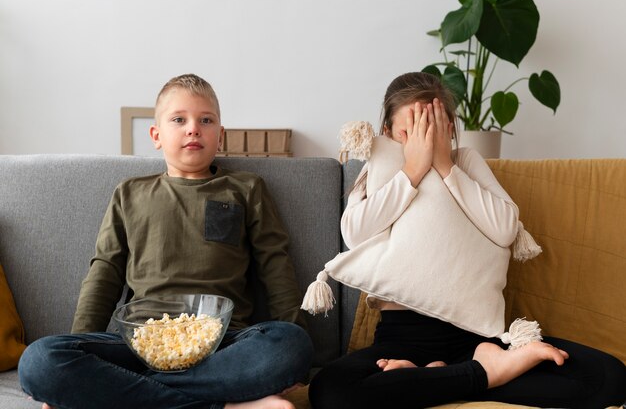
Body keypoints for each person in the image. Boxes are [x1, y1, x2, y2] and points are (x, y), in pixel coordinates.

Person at [307, 72, 626, 408]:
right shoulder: (381, 169)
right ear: (386, 131)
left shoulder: (466, 162)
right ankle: (485, 374)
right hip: (400, 341)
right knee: (329, 391)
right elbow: (354, 233)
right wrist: (412, 170)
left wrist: (446, 167)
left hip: (474, 339)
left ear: (450, 129)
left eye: (434, 129)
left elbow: (505, 228)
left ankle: (422, 379)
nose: (425, 140)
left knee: (609, 376)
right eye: (410, 132)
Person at [19, 73, 313, 409]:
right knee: (40, 361)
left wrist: (77, 389)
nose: (193, 128)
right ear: (156, 135)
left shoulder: (246, 189)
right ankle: (225, 406)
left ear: (220, 136)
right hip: (140, 344)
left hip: (224, 345)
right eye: (179, 120)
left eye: (206, 120)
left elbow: (275, 265)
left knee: (292, 345)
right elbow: (104, 274)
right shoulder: (129, 193)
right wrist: (77, 342)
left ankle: (122, 395)